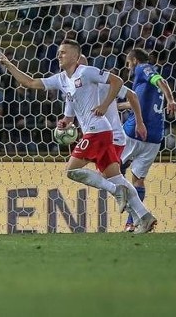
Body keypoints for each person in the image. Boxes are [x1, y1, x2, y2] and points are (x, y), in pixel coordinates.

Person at [0, 41, 157, 234]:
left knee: (71, 170)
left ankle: (116, 193)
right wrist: (9, 65)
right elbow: (30, 82)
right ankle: (145, 217)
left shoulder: (87, 72)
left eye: (63, 52)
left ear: (75, 56)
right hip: (98, 133)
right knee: (116, 177)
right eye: (58, 53)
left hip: (100, 131)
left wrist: (105, 105)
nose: (59, 56)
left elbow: (118, 82)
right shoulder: (63, 81)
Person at [60, 54, 149, 227]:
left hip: (110, 136)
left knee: (106, 179)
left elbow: (133, 96)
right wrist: (63, 126)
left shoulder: (100, 80)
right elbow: (68, 118)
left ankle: (137, 217)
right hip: (101, 136)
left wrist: (139, 122)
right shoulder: (72, 89)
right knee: (114, 179)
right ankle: (142, 217)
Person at [119, 48, 176, 232]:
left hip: (135, 130)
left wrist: (170, 99)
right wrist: (114, 106)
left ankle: (122, 192)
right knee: (138, 180)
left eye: (128, 63)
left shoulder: (143, 68)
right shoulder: (144, 85)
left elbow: (160, 79)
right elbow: (136, 103)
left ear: (134, 60)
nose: (128, 68)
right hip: (155, 137)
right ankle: (132, 222)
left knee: (110, 169)